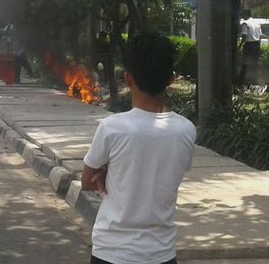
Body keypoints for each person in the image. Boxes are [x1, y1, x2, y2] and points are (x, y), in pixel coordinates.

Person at [82, 33, 196, 264]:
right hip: (161, 254)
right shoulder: (186, 130)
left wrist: (108, 172)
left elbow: (86, 181)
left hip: (111, 253)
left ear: (128, 78)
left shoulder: (111, 127)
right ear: (171, 79)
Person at [238, 9, 263, 85]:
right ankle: (254, 81)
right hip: (256, 44)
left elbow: (244, 37)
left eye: (243, 13)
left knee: (246, 63)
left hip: (249, 46)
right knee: (254, 63)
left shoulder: (245, 24)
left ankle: (241, 80)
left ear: (246, 14)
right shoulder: (257, 23)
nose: (241, 15)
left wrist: (239, 47)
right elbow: (260, 36)